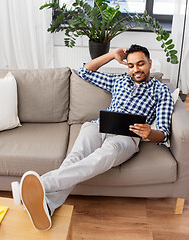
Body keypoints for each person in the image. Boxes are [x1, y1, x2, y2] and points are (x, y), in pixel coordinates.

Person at [12, 44, 174, 231]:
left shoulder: (161, 91)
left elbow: (163, 133)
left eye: (140, 64)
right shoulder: (119, 81)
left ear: (150, 63)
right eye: (131, 65)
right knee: (74, 158)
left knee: (102, 157)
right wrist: (111, 54)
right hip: (99, 126)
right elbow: (84, 72)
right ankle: (48, 206)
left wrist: (150, 133)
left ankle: (42, 184)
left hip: (126, 138)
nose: (136, 69)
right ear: (127, 66)